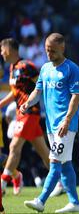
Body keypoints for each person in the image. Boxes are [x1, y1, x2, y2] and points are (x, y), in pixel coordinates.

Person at [23, 33, 79, 213]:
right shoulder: (45, 69)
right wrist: (27, 102)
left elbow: (75, 97)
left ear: (62, 48)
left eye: (53, 51)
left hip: (65, 125)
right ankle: (75, 203)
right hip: (50, 124)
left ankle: (41, 200)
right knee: (65, 164)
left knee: (55, 162)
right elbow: (37, 91)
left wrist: (67, 120)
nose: (49, 54)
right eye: (47, 50)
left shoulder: (72, 69)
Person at [0, 38, 50, 196]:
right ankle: (62, 182)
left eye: (2, 50)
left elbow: (42, 84)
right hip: (20, 113)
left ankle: (3, 183)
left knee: (14, 146)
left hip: (30, 112)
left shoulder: (27, 66)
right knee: (44, 152)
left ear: (9, 49)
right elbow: (15, 93)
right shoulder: (12, 68)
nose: (1, 53)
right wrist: (1, 104)